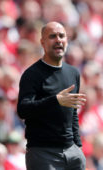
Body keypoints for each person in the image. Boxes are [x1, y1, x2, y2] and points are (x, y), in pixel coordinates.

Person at [17, 21, 86, 170]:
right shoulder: (32, 74)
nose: (58, 40)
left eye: (62, 36)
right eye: (52, 36)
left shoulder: (73, 73)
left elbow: (73, 114)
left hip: (72, 153)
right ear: (42, 42)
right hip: (43, 153)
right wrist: (55, 101)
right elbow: (23, 109)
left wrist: (78, 146)